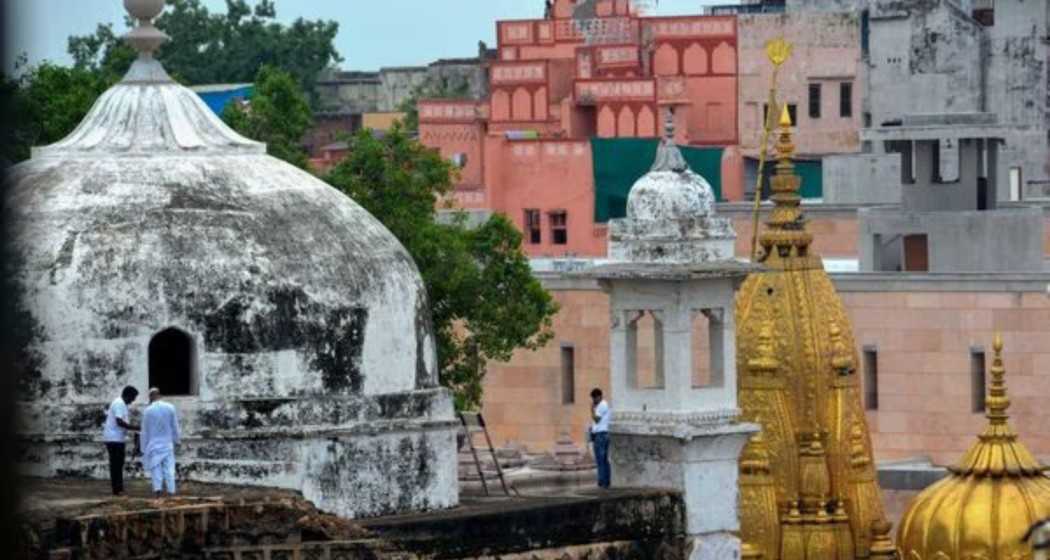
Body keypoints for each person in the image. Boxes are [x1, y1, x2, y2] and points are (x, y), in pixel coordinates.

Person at [140, 388, 181, 497]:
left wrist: (143, 448)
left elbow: (144, 431)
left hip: (154, 445)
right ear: (159, 395)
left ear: (151, 396)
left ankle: (158, 492)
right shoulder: (170, 407)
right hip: (167, 443)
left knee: (156, 469)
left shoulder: (148, 411)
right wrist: (177, 440)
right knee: (169, 469)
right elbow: (175, 426)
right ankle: (171, 492)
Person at [102, 386, 140, 496]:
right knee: (116, 465)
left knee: (117, 464)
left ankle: (118, 489)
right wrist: (135, 428)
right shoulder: (119, 403)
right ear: (127, 395)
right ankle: (118, 490)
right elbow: (119, 422)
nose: (133, 401)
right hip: (114, 439)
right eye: (133, 398)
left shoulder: (121, 404)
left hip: (117, 438)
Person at [588, 387, 611, 489]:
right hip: (602, 434)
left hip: (601, 435)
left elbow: (597, 419)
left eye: (594, 398)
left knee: (600, 460)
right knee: (604, 460)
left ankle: (602, 482)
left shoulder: (602, 405)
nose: (593, 401)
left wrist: (592, 410)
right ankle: (606, 481)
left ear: (599, 396)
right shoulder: (603, 405)